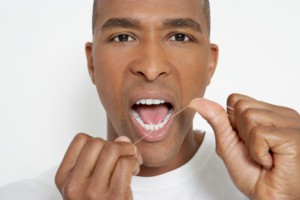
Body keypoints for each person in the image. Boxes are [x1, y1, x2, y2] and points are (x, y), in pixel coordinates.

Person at [1, 0, 300, 199]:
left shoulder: (276, 186)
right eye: (123, 37)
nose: (152, 67)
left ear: (210, 64)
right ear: (92, 64)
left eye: (179, 36)